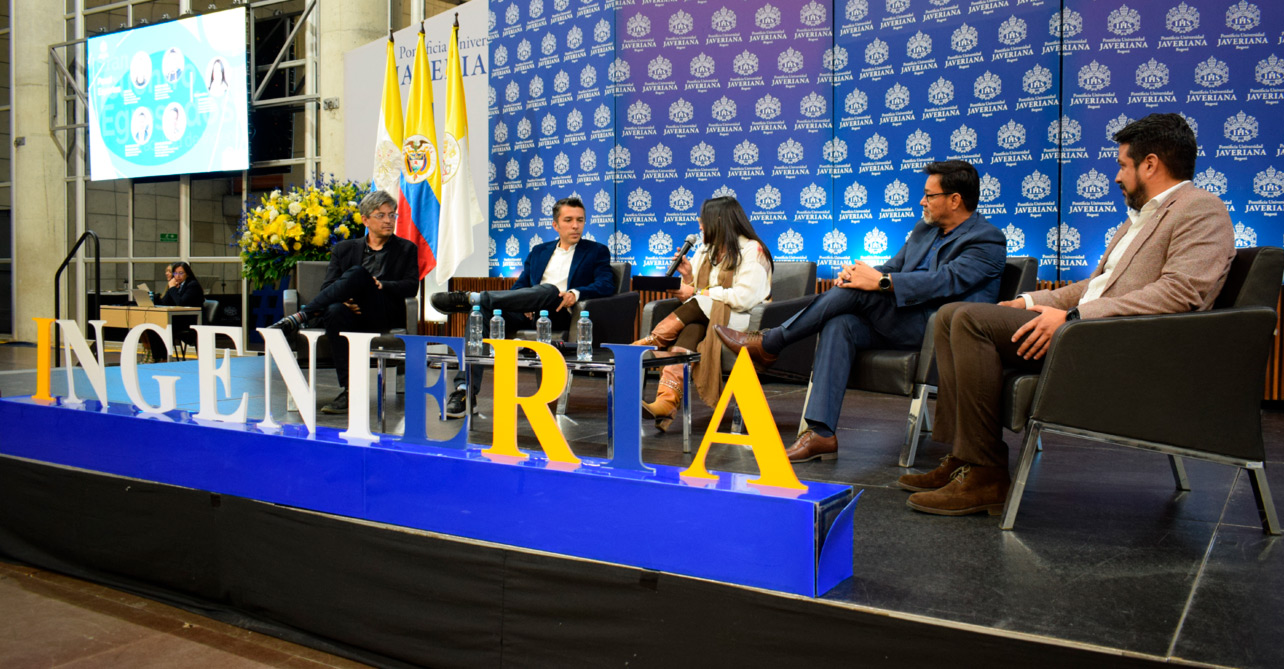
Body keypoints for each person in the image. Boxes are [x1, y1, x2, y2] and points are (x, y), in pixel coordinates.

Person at [899, 113, 1235, 517]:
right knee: (952, 314)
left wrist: (1075, 317)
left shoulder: (1201, 209)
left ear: (1151, 164)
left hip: (1119, 343)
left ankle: (986, 473)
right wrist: (1026, 303)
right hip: (1091, 328)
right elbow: (1096, 285)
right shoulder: (1139, 219)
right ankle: (964, 459)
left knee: (969, 319)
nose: (1117, 176)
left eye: (1123, 165)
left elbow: (1181, 293)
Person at [717, 160, 1007, 462]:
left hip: (939, 330)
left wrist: (879, 282)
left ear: (955, 199)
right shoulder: (924, 230)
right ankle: (821, 433)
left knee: (858, 294)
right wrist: (860, 274)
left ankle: (770, 343)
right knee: (840, 322)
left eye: (929, 195)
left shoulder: (986, 239)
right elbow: (894, 267)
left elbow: (945, 282)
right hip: (899, 319)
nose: (922, 201)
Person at [430, 196, 615, 417]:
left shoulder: (596, 251)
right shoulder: (539, 251)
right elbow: (520, 286)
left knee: (548, 289)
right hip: (529, 312)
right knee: (481, 314)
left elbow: (606, 284)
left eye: (580, 220)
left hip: (561, 312)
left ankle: (474, 298)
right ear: (555, 225)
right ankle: (464, 390)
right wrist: (522, 300)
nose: (575, 225)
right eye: (568, 220)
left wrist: (575, 293)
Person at [268, 190, 420, 415]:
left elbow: (411, 286)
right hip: (350, 312)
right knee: (335, 309)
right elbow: (328, 288)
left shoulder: (406, 249)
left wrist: (382, 285)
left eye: (392, 215)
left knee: (358, 273)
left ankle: (301, 316)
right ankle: (350, 391)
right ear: (365, 219)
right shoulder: (344, 249)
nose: (388, 220)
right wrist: (345, 301)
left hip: (382, 311)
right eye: (381, 215)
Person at [633, 196, 773, 431]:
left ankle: (651, 342)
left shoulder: (752, 250)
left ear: (719, 221)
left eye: (703, 220)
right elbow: (695, 292)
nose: (699, 225)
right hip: (707, 315)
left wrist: (701, 293)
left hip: (745, 319)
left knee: (700, 305)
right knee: (691, 327)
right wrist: (688, 277)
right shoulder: (706, 250)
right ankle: (665, 402)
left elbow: (743, 298)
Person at [144, 262, 204, 363]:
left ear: (187, 274)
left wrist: (172, 288)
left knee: (161, 326)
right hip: (179, 319)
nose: (178, 276)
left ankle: (163, 358)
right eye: (175, 273)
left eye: (181, 273)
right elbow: (164, 303)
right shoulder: (178, 285)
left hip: (191, 321)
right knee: (152, 326)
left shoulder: (192, 285)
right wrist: (170, 288)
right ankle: (159, 357)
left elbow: (180, 303)